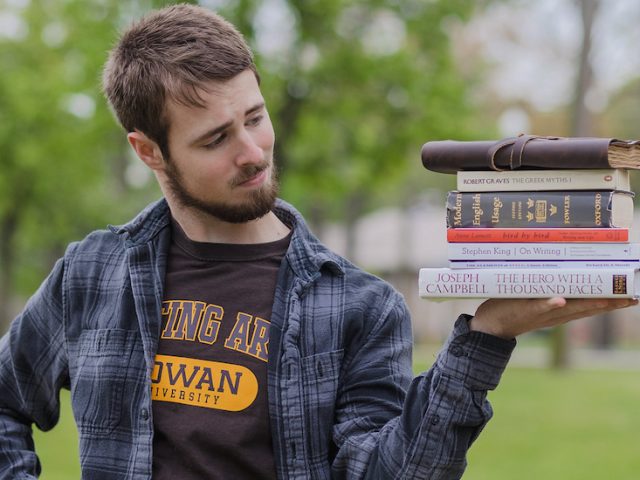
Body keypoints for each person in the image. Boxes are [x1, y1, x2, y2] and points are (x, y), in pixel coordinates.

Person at [0, 4, 635, 479]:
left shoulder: (360, 307)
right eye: (216, 138)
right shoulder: (92, 274)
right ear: (148, 151)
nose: (253, 153)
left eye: (255, 117)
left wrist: (484, 340)